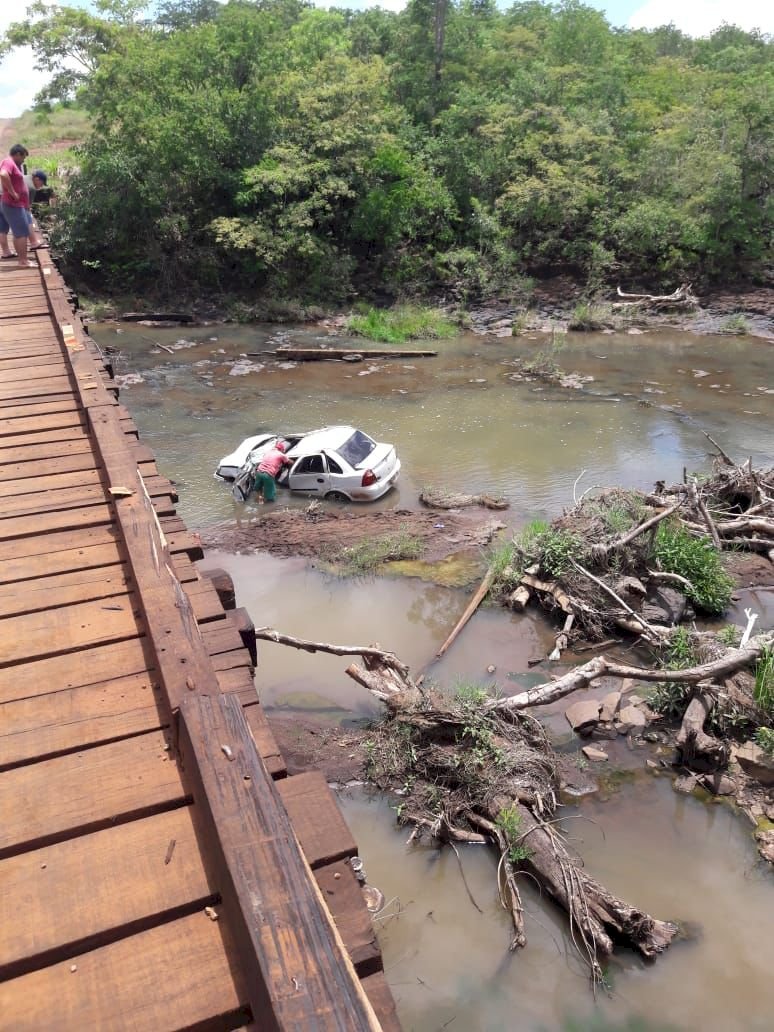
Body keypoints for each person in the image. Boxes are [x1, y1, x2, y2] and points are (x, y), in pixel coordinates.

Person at [0, 144, 31, 266]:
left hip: (15, 204)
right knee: (22, 232)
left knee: (18, 232)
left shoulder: (13, 164)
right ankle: (23, 261)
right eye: (23, 157)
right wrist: (12, 192)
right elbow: (3, 174)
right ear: (18, 154)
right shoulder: (8, 162)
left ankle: (21, 259)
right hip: (12, 204)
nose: (23, 160)